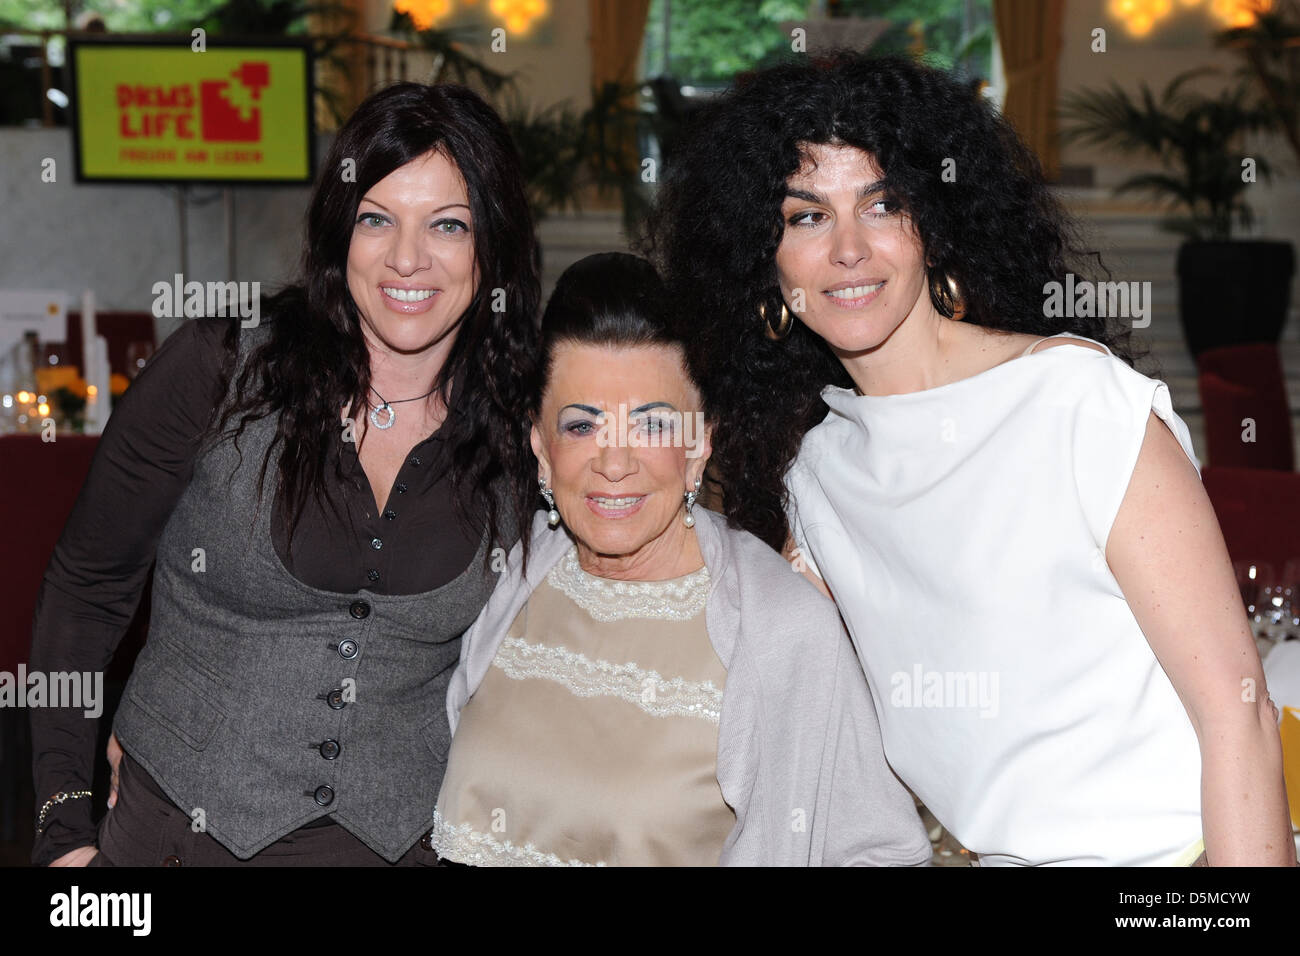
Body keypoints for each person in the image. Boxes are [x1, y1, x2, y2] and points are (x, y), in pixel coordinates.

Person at [641, 52, 1295, 866]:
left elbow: (1237, 711)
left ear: (934, 227)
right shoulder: (816, 478)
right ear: (763, 261)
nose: (848, 248)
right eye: (805, 216)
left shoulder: (1074, 403)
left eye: (882, 204)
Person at [30, 81, 541, 866]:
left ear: (494, 246)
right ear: (341, 231)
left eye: (448, 225)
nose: (408, 258)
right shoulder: (222, 369)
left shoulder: (525, 427)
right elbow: (87, 584)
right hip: (174, 838)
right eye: (377, 219)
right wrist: (62, 826)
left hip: (400, 847)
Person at [431, 252, 932, 866]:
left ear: (699, 449)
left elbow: (879, 851)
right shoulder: (509, 579)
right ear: (540, 448)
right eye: (582, 426)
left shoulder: (780, 629)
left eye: (653, 426)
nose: (614, 464)